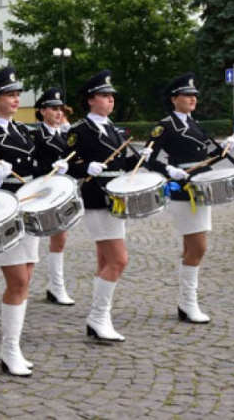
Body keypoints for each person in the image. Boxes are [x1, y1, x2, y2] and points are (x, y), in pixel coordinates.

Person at [0, 67, 69, 377]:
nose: (16, 99)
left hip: (28, 207)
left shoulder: (23, 131)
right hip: (4, 210)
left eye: (17, 94)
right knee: (17, 281)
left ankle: (13, 345)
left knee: (25, 279)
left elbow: (33, 165)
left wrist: (52, 167)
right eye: (10, 94)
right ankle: (9, 348)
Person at [66, 70, 151, 342]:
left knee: (105, 260)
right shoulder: (79, 130)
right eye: (104, 96)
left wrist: (141, 159)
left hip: (116, 198)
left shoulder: (113, 128)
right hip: (96, 199)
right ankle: (98, 317)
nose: (110, 100)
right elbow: (63, 163)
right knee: (119, 259)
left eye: (111, 96)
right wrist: (83, 167)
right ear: (91, 100)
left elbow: (119, 165)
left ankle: (100, 317)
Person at [146, 73, 234, 323]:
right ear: (174, 99)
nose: (192, 99)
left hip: (201, 187)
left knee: (192, 247)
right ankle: (188, 303)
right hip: (183, 189)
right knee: (198, 247)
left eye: (194, 95)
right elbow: (148, 158)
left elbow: (210, 156)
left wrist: (226, 146)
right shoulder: (165, 125)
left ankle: (186, 303)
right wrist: (168, 170)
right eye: (187, 95)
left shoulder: (194, 124)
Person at [29, 88, 75, 305]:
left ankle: (56, 285)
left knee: (60, 237)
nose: (58, 113)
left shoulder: (67, 136)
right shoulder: (34, 135)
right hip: (40, 190)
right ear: (42, 111)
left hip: (61, 190)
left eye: (60, 109)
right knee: (32, 240)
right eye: (54, 109)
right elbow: (29, 166)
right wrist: (49, 168)